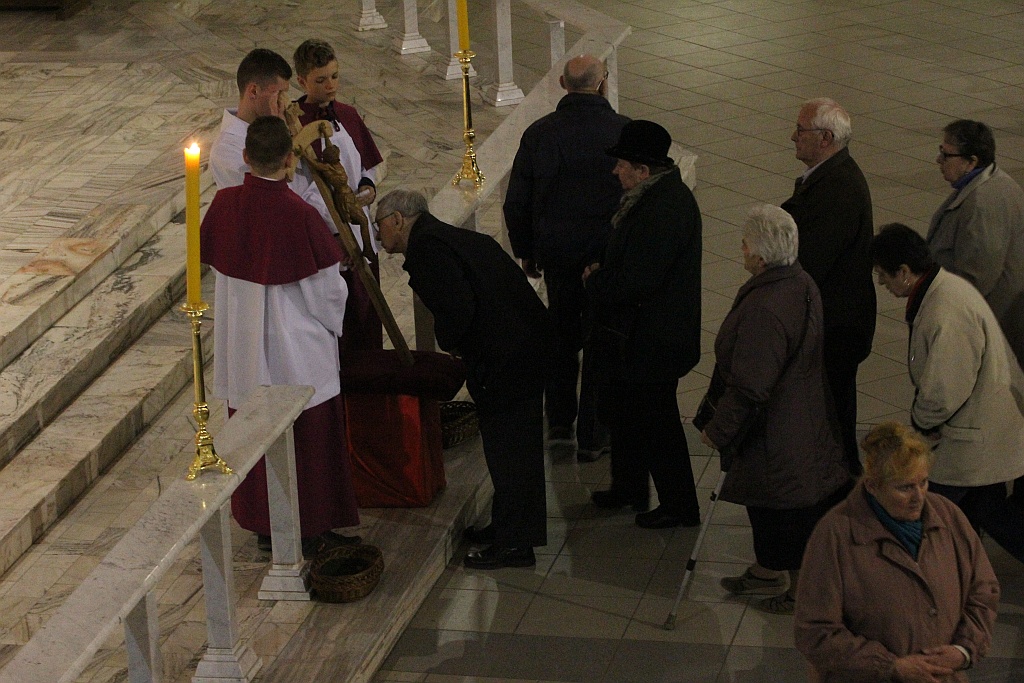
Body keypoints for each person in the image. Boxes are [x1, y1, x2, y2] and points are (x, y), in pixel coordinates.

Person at [200, 116, 360, 555]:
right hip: (296, 351)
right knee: (308, 439)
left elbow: (221, 266)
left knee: (252, 433)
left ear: (246, 157)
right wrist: (337, 317)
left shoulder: (224, 204)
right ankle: (311, 528)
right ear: (290, 160)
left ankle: (266, 527)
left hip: (243, 346)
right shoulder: (300, 214)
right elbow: (325, 293)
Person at [373, 189, 553, 570]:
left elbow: (458, 308)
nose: (378, 235)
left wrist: (453, 344)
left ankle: (516, 545)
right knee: (511, 447)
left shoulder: (428, 250)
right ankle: (508, 527)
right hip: (522, 345)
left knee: (511, 450)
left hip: (506, 357)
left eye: (379, 225)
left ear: (398, 220)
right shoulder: (445, 237)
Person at [700, 204, 851, 615]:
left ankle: (800, 592)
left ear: (761, 255)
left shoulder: (765, 308)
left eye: (745, 243)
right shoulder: (801, 282)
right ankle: (767, 570)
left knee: (783, 513)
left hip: (775, 429)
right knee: (779, 507)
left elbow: (750, 385)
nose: (741, 249)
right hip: (802, 416)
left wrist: (718, 430)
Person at [796, 422, 999, 682]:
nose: (918, 497)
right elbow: (815, 631)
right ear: (872, 486)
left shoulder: (948, 516)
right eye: (904, 487)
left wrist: (964, 650)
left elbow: (984, 590)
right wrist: (891, 667)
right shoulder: (835, 535)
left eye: (923, 482)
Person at [870, 223, 1024, 563]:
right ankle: (960, 571)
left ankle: (922, 572)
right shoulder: (943, 291)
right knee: (988, 512)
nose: (881, 283)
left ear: (904, 272)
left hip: (971, 438)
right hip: (982, 431)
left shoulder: (945, 310)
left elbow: (943, 391)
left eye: (883, 274)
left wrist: (920, 425)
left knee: (925, 507)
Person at [503, 53, 629, 461]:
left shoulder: (541, 133)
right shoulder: (624, 131)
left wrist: (526, 251)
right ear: (603, 82)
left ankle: (558, 424)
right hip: (607, 257)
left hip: (558, 255)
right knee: (600, 339)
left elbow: (517, 201)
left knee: (560, 335)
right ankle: (594, 434)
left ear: (562, 83)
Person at [584, 120, 701, 530]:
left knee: (657, 423)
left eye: (622, 164)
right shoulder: (654, 197)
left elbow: (638, 280)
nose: (615, 171)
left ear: (643, 171)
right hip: (638, 336)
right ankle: (629, 487)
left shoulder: (664, 209)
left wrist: (596, 280)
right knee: (627, 415)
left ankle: (680, 505)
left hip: (654, 339)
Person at [927, 120, 1024, 507]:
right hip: (993, 326)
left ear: (971, 161)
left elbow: (974, 278)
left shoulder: (983, 202)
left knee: (978, 436)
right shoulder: (991, 185)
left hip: (988, 330)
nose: (939, 161)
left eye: (945, 154)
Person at [781, 97, 875, 476]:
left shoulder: (839, 188)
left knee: (834, 418)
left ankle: (841, 484)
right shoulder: (830, 176)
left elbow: (811, 261)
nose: (793, 137)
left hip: (836, 327)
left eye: (800, 130)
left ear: (825, 138)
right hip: (835, 323)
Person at [293, 38, 386, 353]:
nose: (331, 85)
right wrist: (333, 235)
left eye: (334, 76)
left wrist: (367, 185)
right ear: (302, 81)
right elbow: (300, 190)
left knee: (368, 319)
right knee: (343, 330)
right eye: (321, 80)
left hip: (359, 230)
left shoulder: (347, 114)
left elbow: (365, 164)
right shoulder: (296, 127)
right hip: (328, 240)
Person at [208, 49, 334, 234]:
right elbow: (278, 200)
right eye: (279, 94)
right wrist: (279, 134)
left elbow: (316, 176)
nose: (285, 103)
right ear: (254, 91)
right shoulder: (227, 150)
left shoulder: (285, 126)